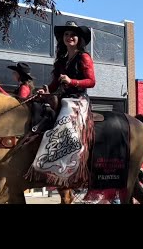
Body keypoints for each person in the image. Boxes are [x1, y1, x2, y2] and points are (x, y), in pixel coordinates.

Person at [28, 20, 96, 187]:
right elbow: (54, 84)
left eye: (73, 34)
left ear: (79, 38)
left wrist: (72, 81)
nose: (69, 37)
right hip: (62, 98)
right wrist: (45, 90)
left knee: (64, 118)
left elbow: (91, 81)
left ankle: (66, 167)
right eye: (66, 34)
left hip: (77, 100)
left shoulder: (84, 57)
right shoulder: (61, 60)